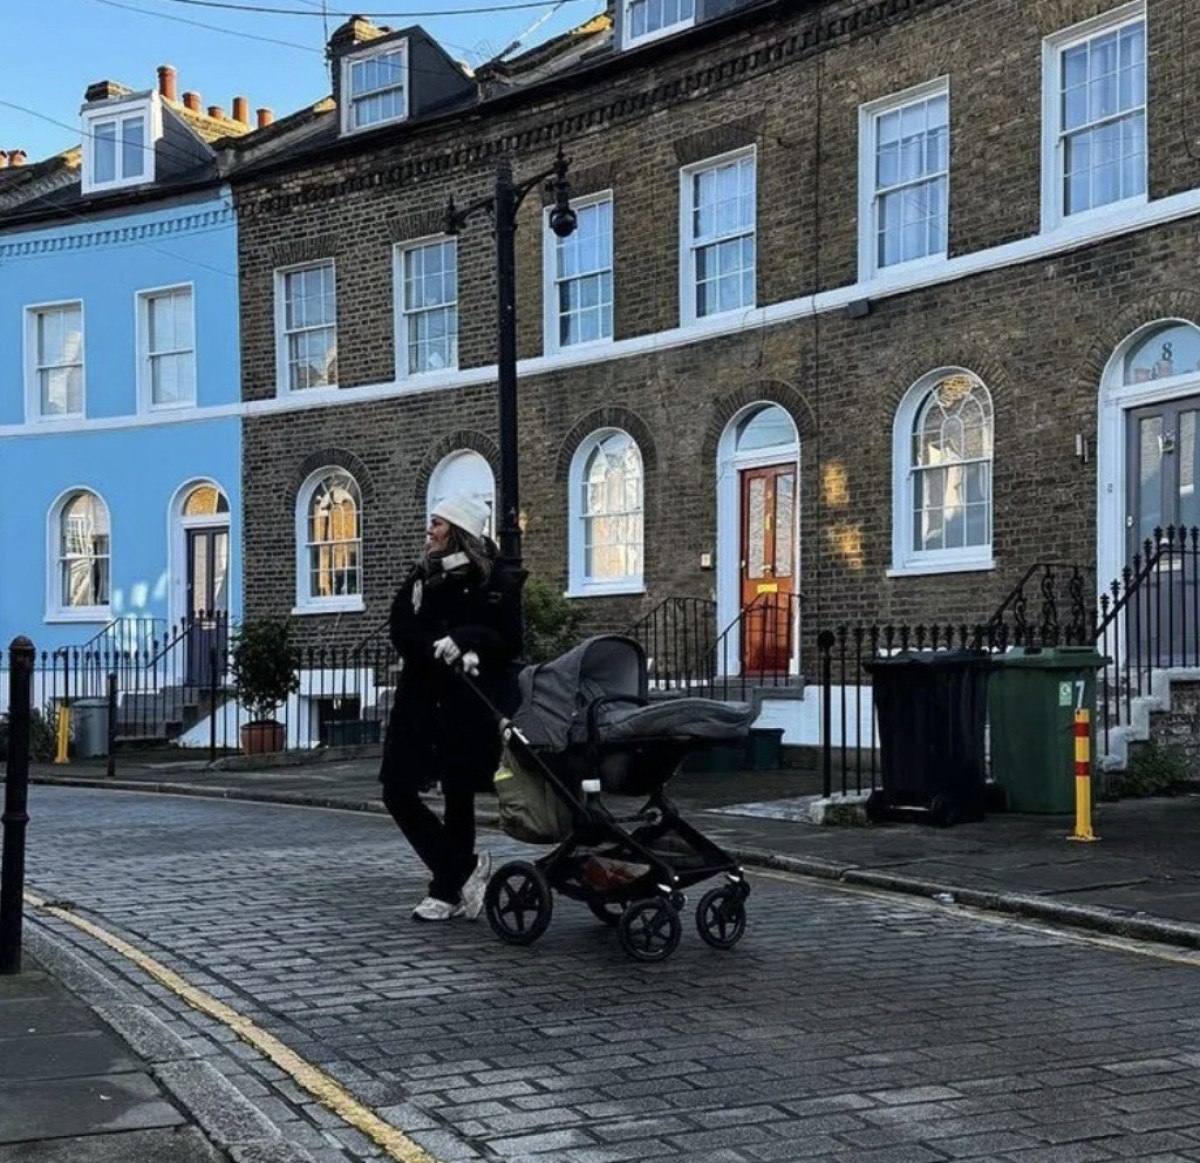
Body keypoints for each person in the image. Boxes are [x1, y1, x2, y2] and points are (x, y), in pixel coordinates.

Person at [380, 493, 523, 922]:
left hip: (466, 701)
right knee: (395, 789)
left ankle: (446, 890)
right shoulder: (422, 575)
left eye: (438, 523)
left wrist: (467, 639)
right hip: (420, 697)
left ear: (458, 531)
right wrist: (433, 647)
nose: (430, 530)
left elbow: (510, 640)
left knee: (458, 794)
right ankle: (465, 870)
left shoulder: (494, 580)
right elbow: (401, 628)